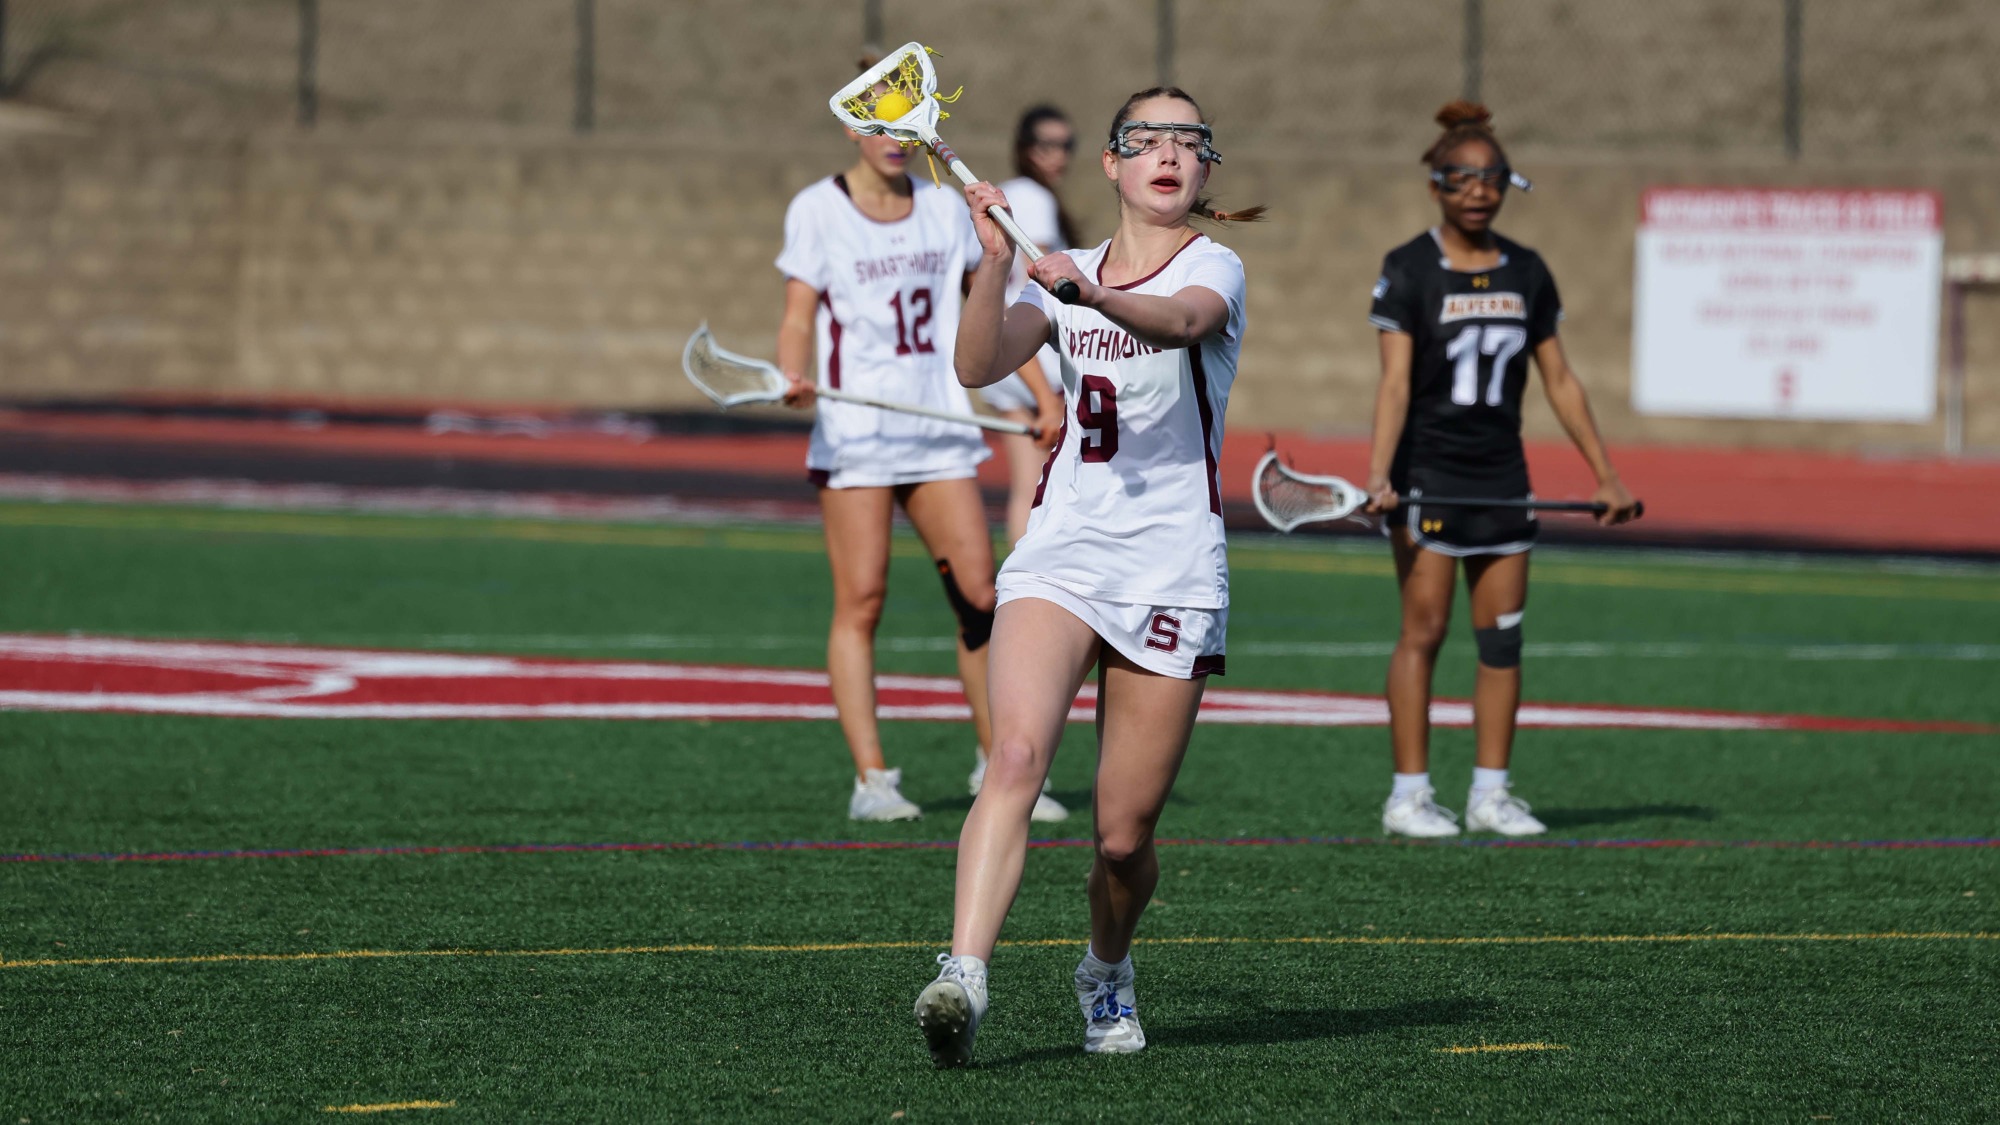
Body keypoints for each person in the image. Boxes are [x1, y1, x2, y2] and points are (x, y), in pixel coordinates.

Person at [914, 86, 1264, 1066]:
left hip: (1170, 567)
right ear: (1110, 166)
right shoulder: (1055, 273)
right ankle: (963, 977)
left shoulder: (1215, 267)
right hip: (1062, 550)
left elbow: (1179, 321)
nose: (1167, 153)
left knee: (1120, 837)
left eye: (1188, 140)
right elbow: (978, 363)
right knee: (1015, 758)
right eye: (1143, 139)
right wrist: (994, 266)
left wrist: (1089, 294)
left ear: (1203, 171)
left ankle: (1105, 967)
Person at [774, 53, 1067, 823]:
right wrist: (790, 372)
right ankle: (872, 778)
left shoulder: (944, 209)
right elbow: (800, 310)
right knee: (862, 601)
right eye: (879, 122)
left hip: (940, 432)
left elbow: (989, 302)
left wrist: (1042, 391)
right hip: (859, 434)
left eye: (906, 120)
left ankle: (998, 763)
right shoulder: (818, 209)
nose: (895, 137)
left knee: (980, 597)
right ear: (852, 125)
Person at [1362, 100, 1639, 839]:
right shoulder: (1408, 268)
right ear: (1438, 185)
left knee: (1502, 639)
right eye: (1464, 179)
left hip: (1502, 475)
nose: (1480, 191)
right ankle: (1409, 795)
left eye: (1493, 179)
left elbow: (1560, 379)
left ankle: (1490, 792)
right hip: (1429, 473)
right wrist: (1380, 473)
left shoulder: (1528, 269)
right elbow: (1393, 385)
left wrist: (1605, 473)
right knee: (1423, 631)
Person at [979, 106, 1080, 547]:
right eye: (1046, 145)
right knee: (1045, 486)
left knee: (1028, 482)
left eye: (1066, 145)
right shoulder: (1032, 199)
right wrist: (1045, 395)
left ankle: (1018, 583)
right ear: (1023, 149)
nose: (1057, 156)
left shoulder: (1021, 195)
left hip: (1010, 363)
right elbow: (1029, 290)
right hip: (1031, 361)